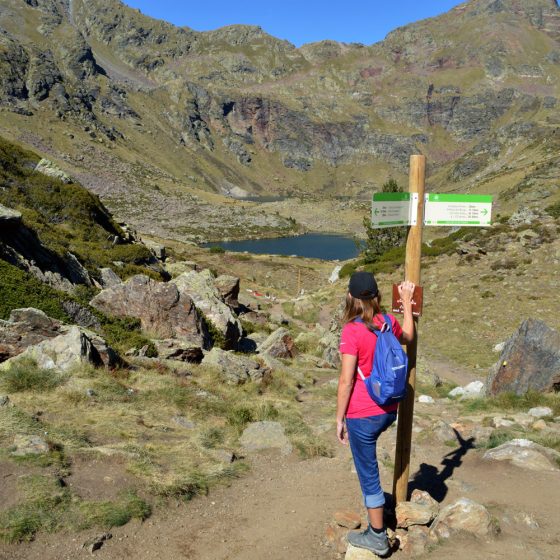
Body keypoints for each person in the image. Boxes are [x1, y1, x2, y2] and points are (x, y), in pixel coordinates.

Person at [336, 271, 415, 556]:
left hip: (361, 413)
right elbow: (407, 335)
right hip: (388, 408)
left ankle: (378, 536)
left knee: (368, 474)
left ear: (350, 297)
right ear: (376, 296)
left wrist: (339, 418)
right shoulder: (387, 322)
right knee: (370, 470)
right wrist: (406, 302)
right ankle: (379, 523)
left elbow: (346, 381)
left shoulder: (352, 331)